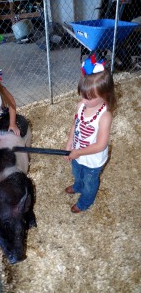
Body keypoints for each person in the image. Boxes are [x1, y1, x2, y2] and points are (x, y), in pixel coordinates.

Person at [64, 54, 117, 214]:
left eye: (91, 97)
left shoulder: (105, 116)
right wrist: (69, 144)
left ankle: (85, 201)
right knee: (76, 172)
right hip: (77, 152)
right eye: (83, 95)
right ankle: (77, 186)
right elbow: (75, 125)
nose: (85, 100)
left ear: (105, 94)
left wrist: (78, 151)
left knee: (90, 182)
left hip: (93, 160)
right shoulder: (81, 105)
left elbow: (101, 145)